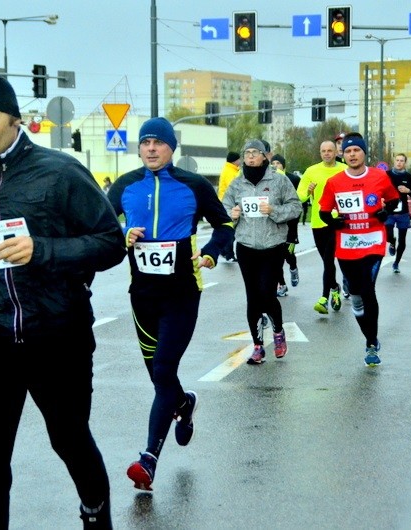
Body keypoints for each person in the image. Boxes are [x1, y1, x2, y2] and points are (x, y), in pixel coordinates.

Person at [0, 69, 126, 529]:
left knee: (69, 439)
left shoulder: (60, 171)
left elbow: (110, 242)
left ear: (15, 120)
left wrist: (43, 249)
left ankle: (95, 510)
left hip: (58, 336)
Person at [106, 117, 234, 491]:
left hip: (182, 293)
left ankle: (148, 460)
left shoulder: (194, 185)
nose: (150, 148)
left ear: (170, 148)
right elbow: (98, 224)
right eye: (144, 143)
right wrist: (121, 234)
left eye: (157, 143)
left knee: (163, 370)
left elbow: (224, 226)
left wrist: (211, 252)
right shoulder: (126, 186)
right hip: (142, 296)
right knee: (159, 378)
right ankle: (184, 403)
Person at [318, 133, 399, 367]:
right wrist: (334, 222)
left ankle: (371, 343)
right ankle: (369, 335)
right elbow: (324, 212)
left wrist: (386, 213)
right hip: (347, 246)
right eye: (348, 151)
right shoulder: (335, 182)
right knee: (356, 298)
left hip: (373, 241)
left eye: (357, 151)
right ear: (343, 155)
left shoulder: (379, 176)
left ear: (364, 153)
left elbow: (393, 200)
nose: (352, 155)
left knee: (367, 289)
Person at [222, 139, 302, 365]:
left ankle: (278, 330)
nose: (250, 156)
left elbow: (295, 207)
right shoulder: (237, 184)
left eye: (255, 152)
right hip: (246, 247)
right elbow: (223, 208)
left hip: (272, 246)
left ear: (265, 156)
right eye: (246, 152)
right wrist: (232, 213)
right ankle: (257, 346)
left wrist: (274, 210)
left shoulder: (278, 180)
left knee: (267, 293)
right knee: (253, 297)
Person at [298, 140, 348, 314]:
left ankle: (324, 298)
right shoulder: (311, 171)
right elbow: (300, 196)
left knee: (328, 260)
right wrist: (308, 192)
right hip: (319, 222)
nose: (326, 153)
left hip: (338, 221)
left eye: (330, 150)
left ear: (336, 153)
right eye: (323, 151)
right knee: (327, 262)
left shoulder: (343, 169)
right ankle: (335, 287)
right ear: (320, 153)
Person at [384, 153, 411, 274]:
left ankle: (396, 263)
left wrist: (407, 190)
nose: (399, 163)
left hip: (403, 212)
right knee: (388, 231)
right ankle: (392, 241)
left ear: (405, 163)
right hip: (389, 210)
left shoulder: (409, 177)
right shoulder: (387, 174)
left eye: (401, 161)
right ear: (394, 161)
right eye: (397, 160)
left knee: (403, 240)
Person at [272, 154, 301, 296]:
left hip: (290, 224)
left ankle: (293, 268)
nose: (276, 165)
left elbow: (298, 202)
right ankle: (282, 285)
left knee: (288, 254)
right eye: (273, 163)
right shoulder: (268, 180)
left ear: (283, 165)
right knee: (276, 259)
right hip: (274, 224)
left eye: (278, 163)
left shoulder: (294, 179)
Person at [217, 151, 241, 262]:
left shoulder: (230, 170)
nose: (240, 161)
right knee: (232, 229)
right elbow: (234, 189)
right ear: (235, 160)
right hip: (229, 204)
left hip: (226, 203)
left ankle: (225, 251)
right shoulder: (231, 172)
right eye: (239, 159)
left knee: (231, 229)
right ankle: (228, 253)